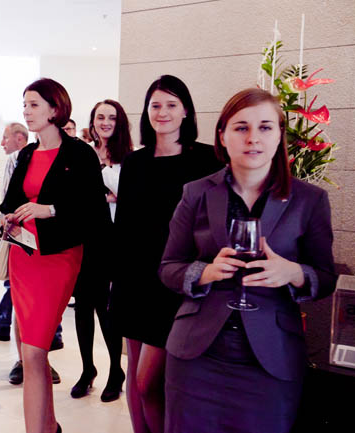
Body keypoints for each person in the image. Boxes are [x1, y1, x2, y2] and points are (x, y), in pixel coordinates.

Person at [159, 88, 337, 433]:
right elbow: (168, 268)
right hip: (197, 357)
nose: (253, 138)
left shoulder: (310, 200)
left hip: (271, 360)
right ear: (222, 136)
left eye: (265, 127)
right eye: (241, 127)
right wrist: (205, 272)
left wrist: (292, 272)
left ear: (279, 136)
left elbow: (326, 278)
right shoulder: (196, 192)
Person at [110, 75, 222, 433]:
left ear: (186, 110)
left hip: (176, 281)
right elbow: (124, 226)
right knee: (134, 374)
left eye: (171, 105)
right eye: (155, 105)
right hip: (134, 279)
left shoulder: (207, 159)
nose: (163, 112)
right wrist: (115, 280)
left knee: (151, 383)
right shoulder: (135, 161)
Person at [0, 78, 109, 433]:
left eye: (33, 104)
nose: (26, 111)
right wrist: (11, 217)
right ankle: (47, 427)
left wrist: (50, 210)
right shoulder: (26, 154)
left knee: (33, 352)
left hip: (59, 259)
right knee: (34, 352)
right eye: (24, 104)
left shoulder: (80, 153)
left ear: (55, 108)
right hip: (24, 257)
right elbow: (10, 201)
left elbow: (93, 211)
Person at [0, 122, 63, 386]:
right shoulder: (19, 158)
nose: (2, 143)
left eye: (6, 138)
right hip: (22, 239)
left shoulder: (63, 156)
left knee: (44, 304)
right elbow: (7, 199)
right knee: (20, 301)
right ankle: (25, 360)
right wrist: (9, 217)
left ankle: (40, 357)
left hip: (52, 242)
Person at [69, 100, 132, 402]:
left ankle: (116, 371)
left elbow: (134, 200)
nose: (106, 122)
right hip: (84, 237)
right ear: (92, 121)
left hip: (115, 240)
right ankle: (87, 369)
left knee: (107, 307)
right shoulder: (83, 154)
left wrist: (110, 197)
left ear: (120, 122)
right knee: (83, 306)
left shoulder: (130, 159)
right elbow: (74, 197)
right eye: (100, 117)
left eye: (112, 117)